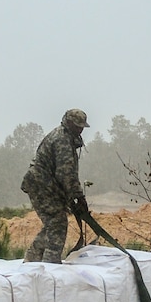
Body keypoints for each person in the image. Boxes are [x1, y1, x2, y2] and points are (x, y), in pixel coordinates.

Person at [22, 108, 92, 263]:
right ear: (68, 123)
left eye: (82, 126)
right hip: (41, 184)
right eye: (77, 126)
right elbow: (66, 174)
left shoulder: (66, 137)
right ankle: (50, 264)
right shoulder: (62, 140)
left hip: (46, 185)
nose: (80, 130)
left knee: (53, 223)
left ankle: (33, 258)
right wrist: (79, 197)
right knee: (58, 223)